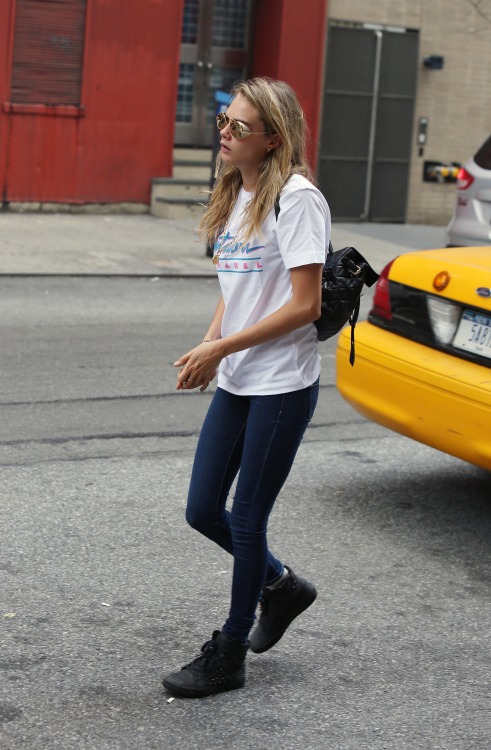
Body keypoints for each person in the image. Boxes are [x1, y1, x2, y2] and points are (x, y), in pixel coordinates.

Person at [162, 77, 331, 699]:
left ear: (273, 139)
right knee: (203, 509)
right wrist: (211, 347)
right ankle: (282, 586)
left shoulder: (298, 200)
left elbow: (306, 305)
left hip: (281, 386)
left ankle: (229, 652)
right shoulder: (239, 192)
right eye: (223, 120)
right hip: (238, 378)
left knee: (248, 521)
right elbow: (234, 289)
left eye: (239, 127)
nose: (224, 134)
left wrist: (221, 348)